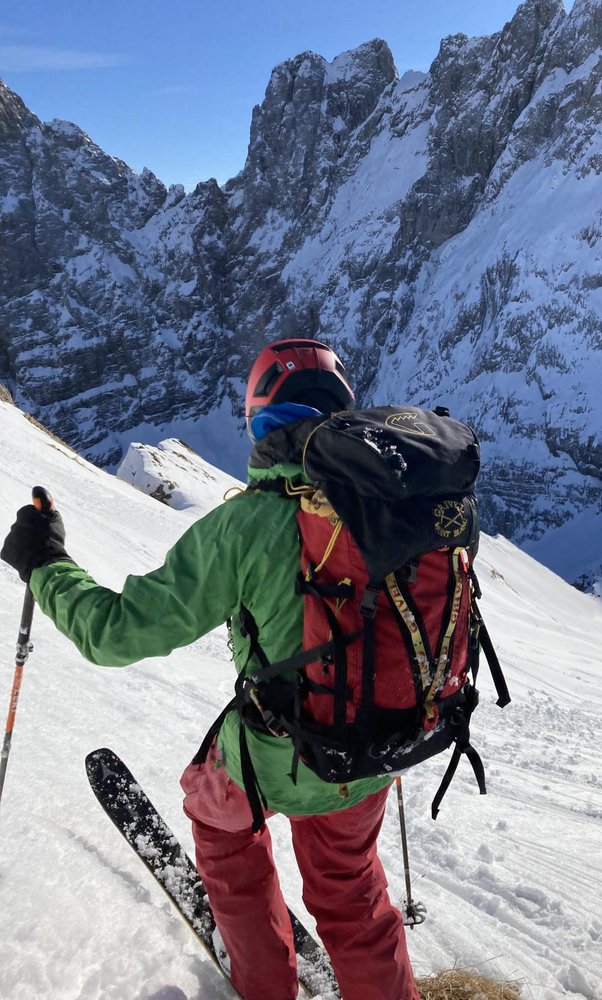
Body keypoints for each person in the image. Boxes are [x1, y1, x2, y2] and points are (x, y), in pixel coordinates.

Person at [1, 338, 422, 1000]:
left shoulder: (246, 526)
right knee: (350, 887)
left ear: (260, 419)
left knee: (220, 820)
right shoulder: (395, 507)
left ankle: (265, 984)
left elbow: (114, 634)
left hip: (282, 754)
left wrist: (45, 563)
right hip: (377, 748)